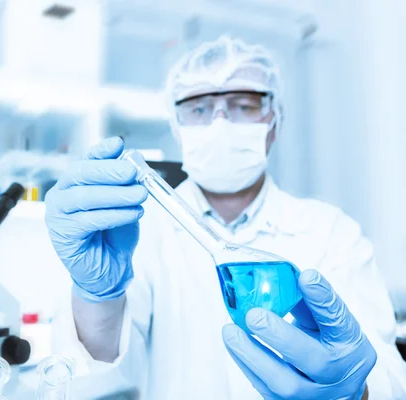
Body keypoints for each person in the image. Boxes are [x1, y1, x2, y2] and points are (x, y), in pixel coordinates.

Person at [44, 36, 406, 399]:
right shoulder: (139, 228)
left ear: (274, 122)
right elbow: (98, 373)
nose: (220, 122)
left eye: (243, 105)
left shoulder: (331, 232)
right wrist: (97, 295)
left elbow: (389, 375)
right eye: (199, 108)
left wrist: (353, 391)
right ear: (177, 127)